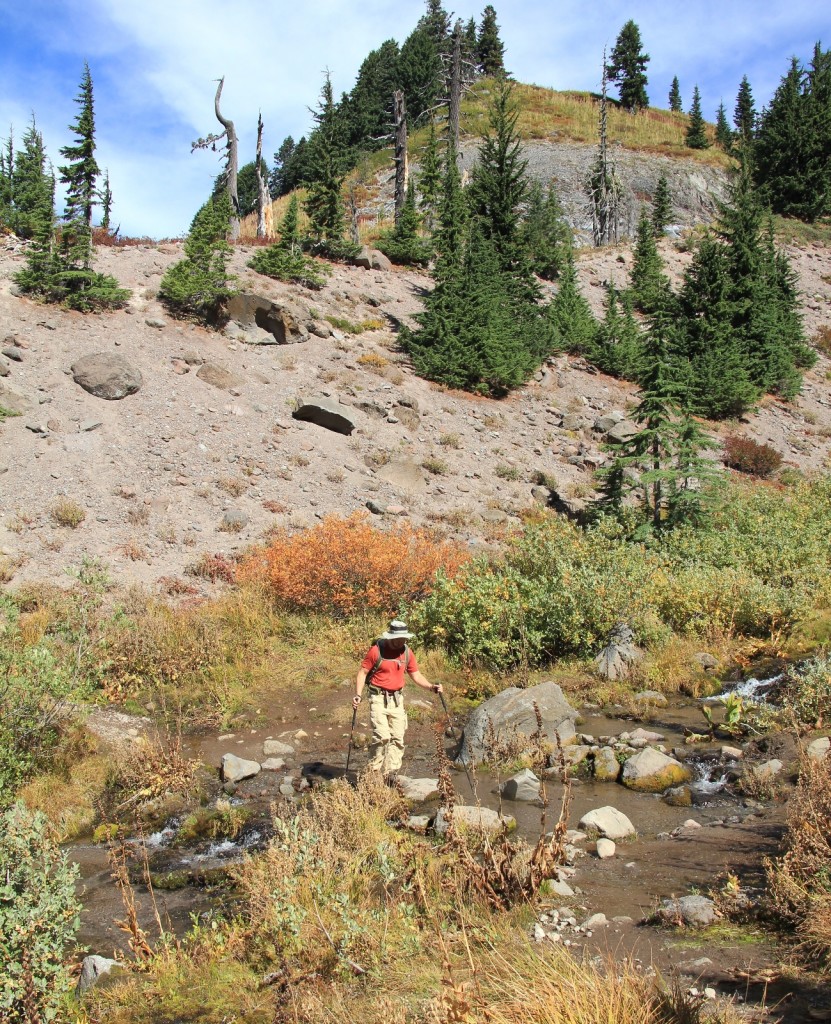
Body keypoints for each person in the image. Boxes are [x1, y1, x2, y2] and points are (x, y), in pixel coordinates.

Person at [353, 620, 442, 779]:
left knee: (398, 737)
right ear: (391, 637)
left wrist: (430, 687)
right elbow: (362, 673)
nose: (402, 641)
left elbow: (415, 674)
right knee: (382, 736)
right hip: (378, 697)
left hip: (397, 700)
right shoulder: (376, 650)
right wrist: (358, 695)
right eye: (399, 638)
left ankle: (390, 774)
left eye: (404, 638)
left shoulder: (407, 652)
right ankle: (373, 773)